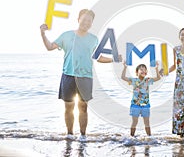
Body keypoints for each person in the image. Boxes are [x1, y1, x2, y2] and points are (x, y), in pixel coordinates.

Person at [40, 9, 117, 141]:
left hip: (86, 77)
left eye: (89, 21)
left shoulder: (94, 39)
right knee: (68, 107)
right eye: (84, 19)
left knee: (83, 107)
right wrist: (42, 34)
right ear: (78, 19)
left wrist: (114, 58)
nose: (86, 23)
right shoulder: (66, 35)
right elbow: (50, 46)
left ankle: (83, 136)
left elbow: (98, 57)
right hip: (68, 75)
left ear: (91, 23)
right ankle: (70, 134)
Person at [121, 61, 161, 136]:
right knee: (134, 122)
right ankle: (131, 137)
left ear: (146, 72)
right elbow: (123, 77)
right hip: (135, 105)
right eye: (141, 69)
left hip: (145, 105)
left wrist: (156, 68)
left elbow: (158, 78)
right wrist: (125, 67)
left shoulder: (147, 80)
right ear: (137, 72)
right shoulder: (134, 80)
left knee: (147, 122)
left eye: (144, 69)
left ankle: (149, 137)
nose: (143, 71)